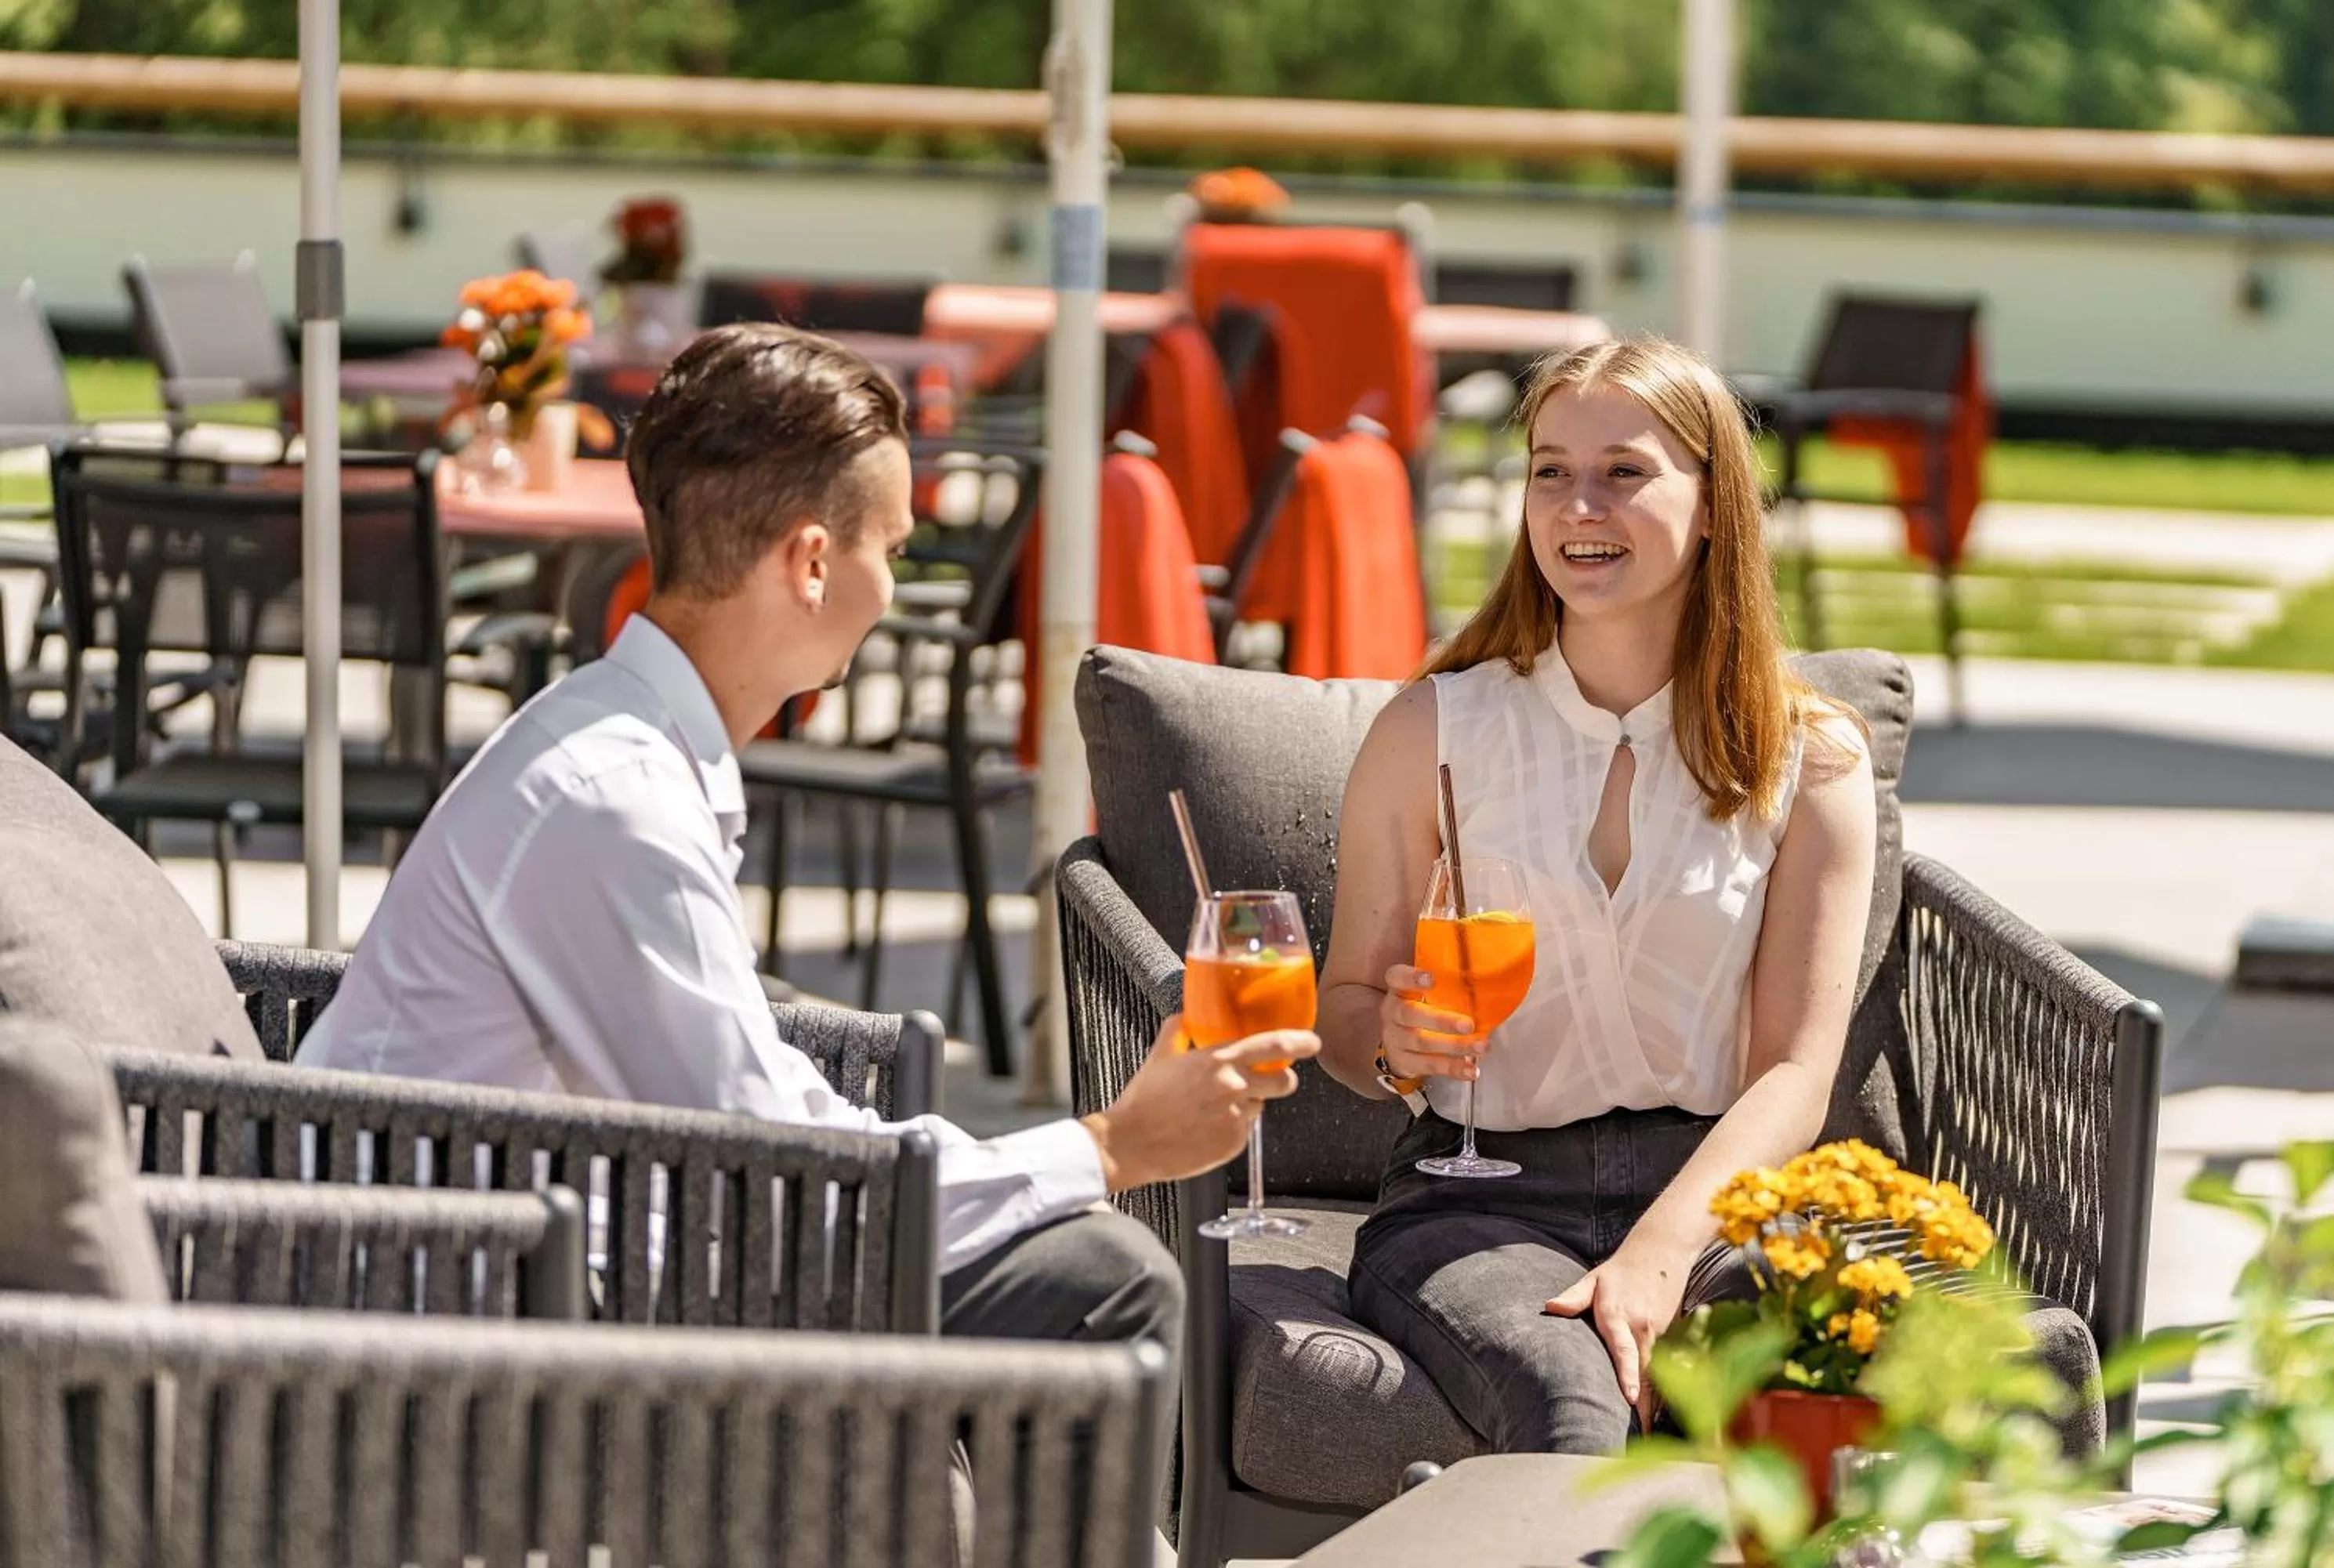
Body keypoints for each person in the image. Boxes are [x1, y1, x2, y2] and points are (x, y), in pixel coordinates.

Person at [299, 323, 1316, 1364]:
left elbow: (753, 1129)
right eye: (894, 549)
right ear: (814, 561)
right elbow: (781, 1184)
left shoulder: (614, 743)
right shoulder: (617, 802)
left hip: (534, 1252)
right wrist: (1113, 1146)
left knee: (1073, 1263)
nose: (895, 588)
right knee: (1103, 1282)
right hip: (440, 1326)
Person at [1315, 338, 1876, 1454]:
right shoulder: (1430, 732)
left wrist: (1664, 1251)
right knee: (1577, 1411)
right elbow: (1342, 1010)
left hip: (1721, 1201)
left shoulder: (1808, 759)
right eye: (1548, 470)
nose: (1580, 504)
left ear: (1714, 505)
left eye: (1623, 472)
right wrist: (1393, 1042)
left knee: (1835, 1394)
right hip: (1478, 1199)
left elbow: (1792, 1075)